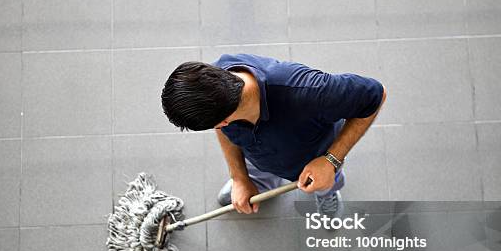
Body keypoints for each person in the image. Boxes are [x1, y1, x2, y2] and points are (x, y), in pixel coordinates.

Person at [161, 53, 386, 216]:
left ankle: (326, 195)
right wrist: (240, 178)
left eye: (216, 125)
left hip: (314, 158)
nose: (218, 129)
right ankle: (257, 182)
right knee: (253, 173)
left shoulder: (309, 92)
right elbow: (223, 130)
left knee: (326, 182)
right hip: (259, 153)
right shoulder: (216, 84)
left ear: (223, 120)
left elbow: (376, 95)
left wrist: (330, 160)